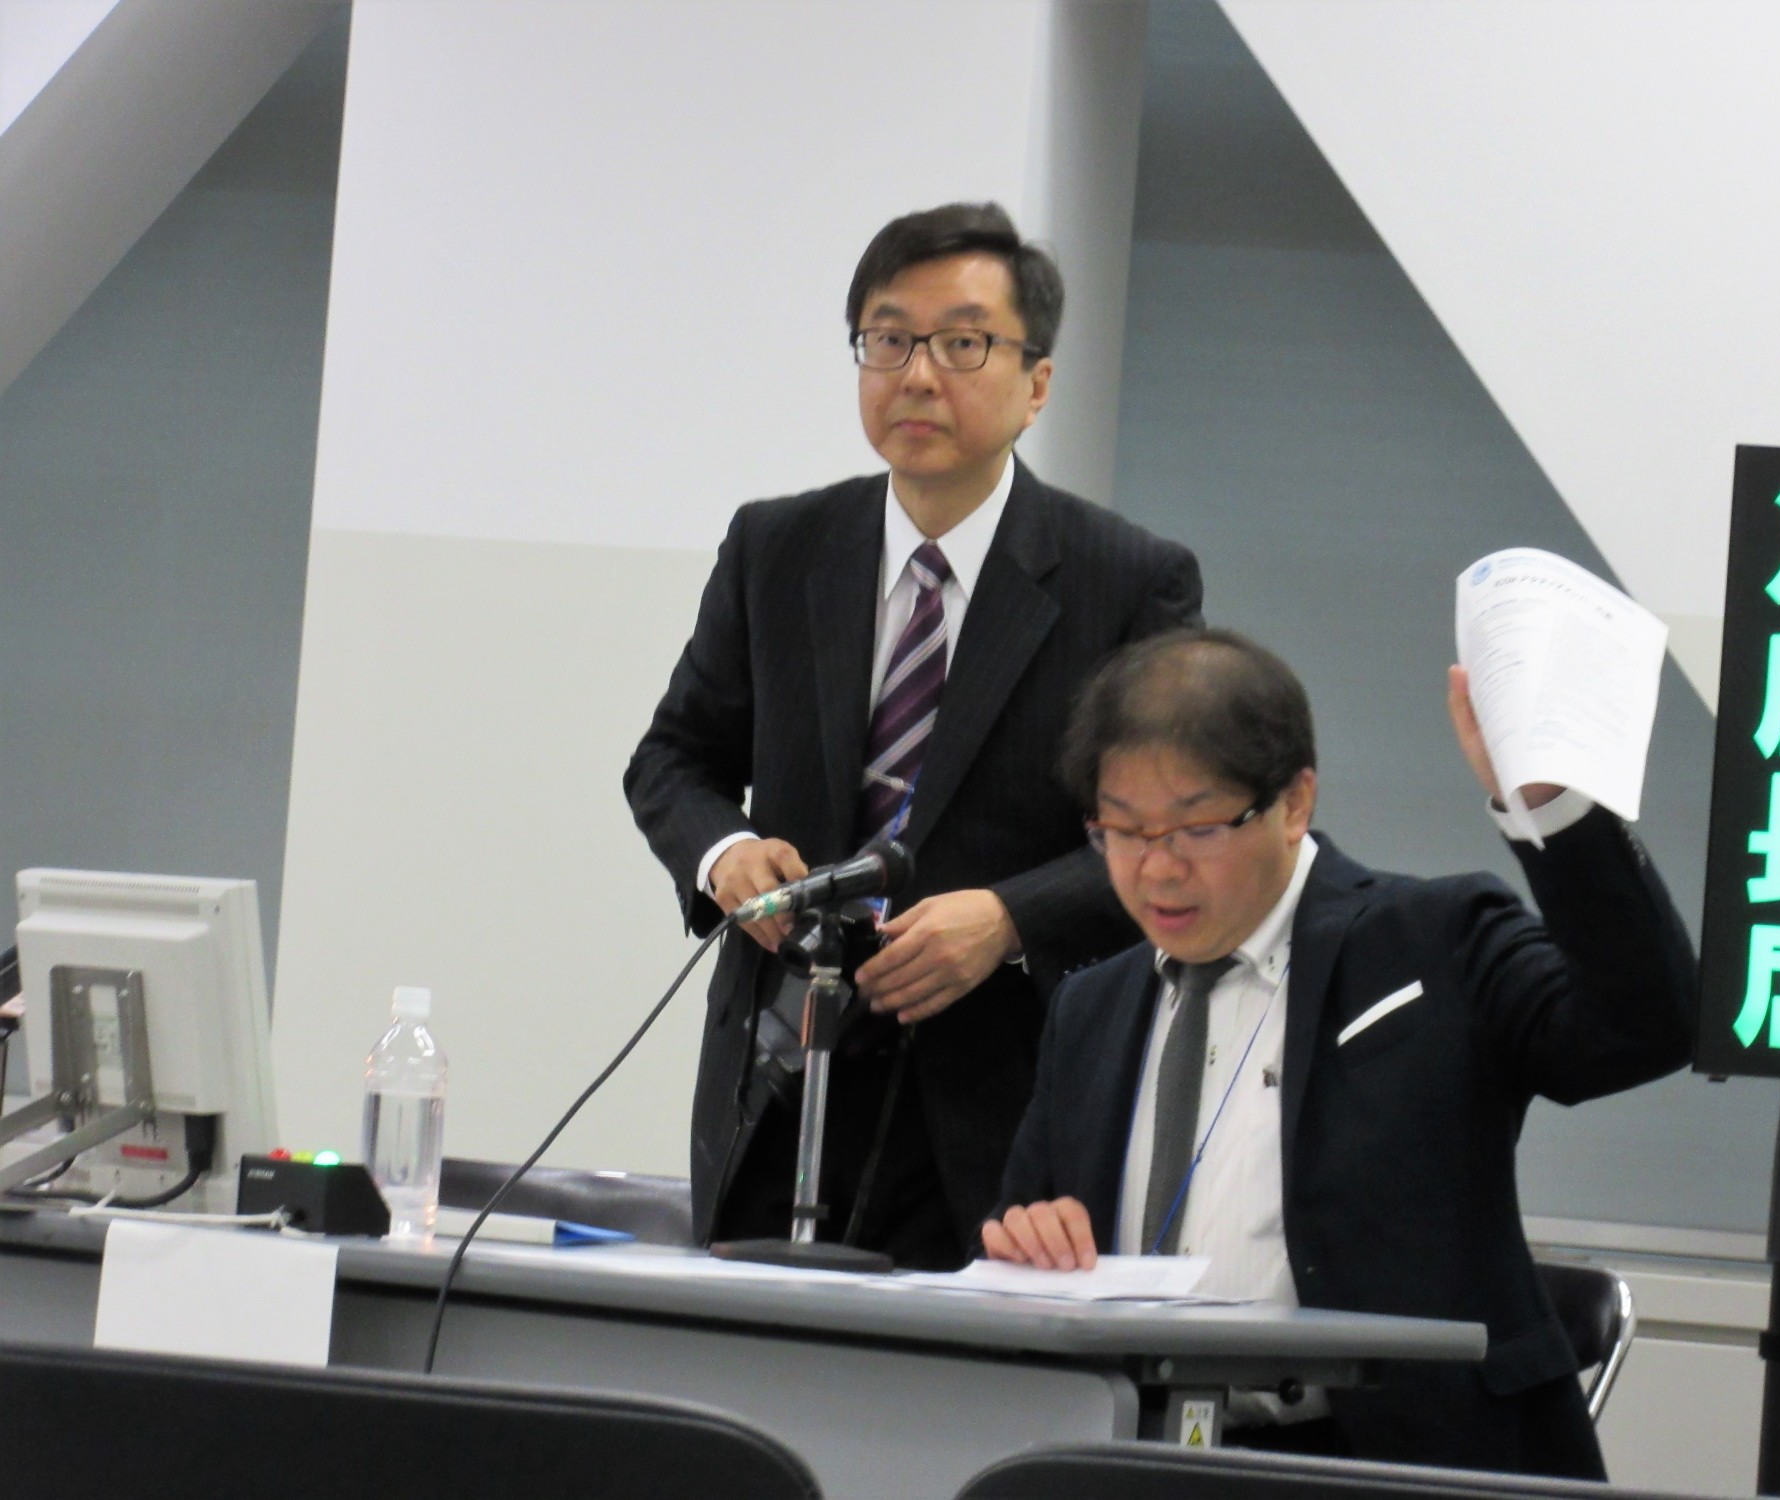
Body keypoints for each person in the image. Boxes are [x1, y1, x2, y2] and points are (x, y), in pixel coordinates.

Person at [625, 203, 1202, 1270]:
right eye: (888, 340)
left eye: (962, 343)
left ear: (1036, 382)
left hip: (996, 1098)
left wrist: (1009, 919)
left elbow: (1172, 837)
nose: (918, 376)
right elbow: (671, 761)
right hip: (779, 1068)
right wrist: (724, 854)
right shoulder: (778, 547)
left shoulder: (1125, 580)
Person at [984, 630, 1696, 1478]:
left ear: (1293, 803)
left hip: (1389, 1465)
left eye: (1196, 828)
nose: (1157, 871)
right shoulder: (1091, 1009)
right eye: (1124, 831)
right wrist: (1030, 1245)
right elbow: (1026, 1230)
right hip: (1135, 1461)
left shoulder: (1432, 942)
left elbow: (1646, 1026)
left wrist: (1554, 810)